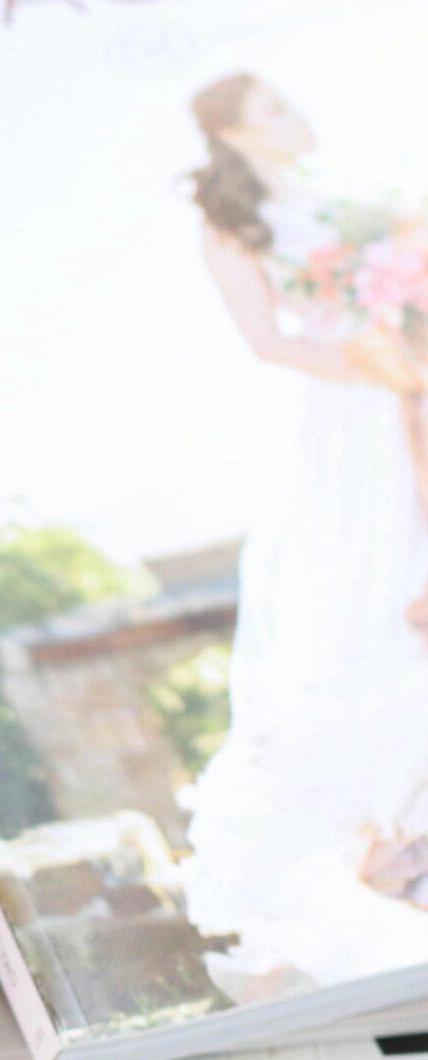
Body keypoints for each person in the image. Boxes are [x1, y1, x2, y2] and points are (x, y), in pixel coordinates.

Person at [176, 73, 428, 1002]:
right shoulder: (230, 223)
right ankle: (380, 843)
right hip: (354, 406)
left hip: (414, 382)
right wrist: (366, 361)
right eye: (275, 106)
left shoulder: (351, 193)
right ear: (236, 129)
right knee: (376, 589)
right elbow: (266, 340)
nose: (298, 112)